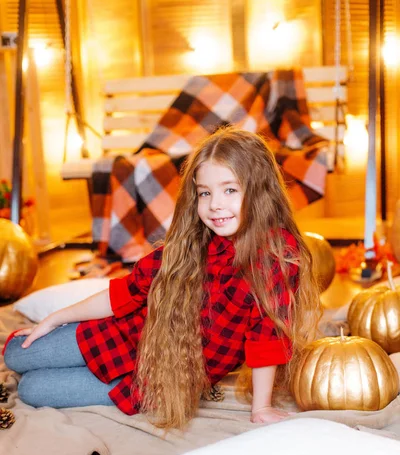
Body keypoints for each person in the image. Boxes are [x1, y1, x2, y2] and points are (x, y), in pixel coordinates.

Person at [3, 127, 320, 429]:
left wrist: (261, 407)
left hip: (162, 378)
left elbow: (266, 337)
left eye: (230, 190)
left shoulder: (275, 256)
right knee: (17, 351)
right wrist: (56, 318)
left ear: (260, 191)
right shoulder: (195, 241)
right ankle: (66, 351)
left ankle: (95, 379)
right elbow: (125, 292)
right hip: (125, 334)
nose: (215, 205)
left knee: (32, 389)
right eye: (205, 193)